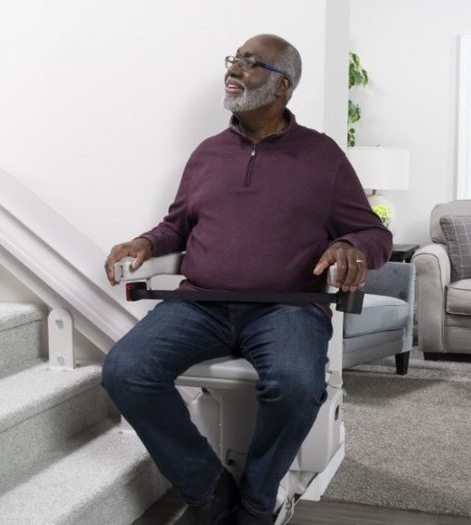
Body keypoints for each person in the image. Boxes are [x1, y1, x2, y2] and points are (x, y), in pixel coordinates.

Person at [100, 34, 391, 525]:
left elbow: (372, 232)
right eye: (234, 59)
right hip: (201, 304)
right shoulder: (207, 153)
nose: (234, 69)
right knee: (125, 371)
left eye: (251, 64)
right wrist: (146, 243)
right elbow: (178, 225)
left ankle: (256, 499)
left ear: (283, 87)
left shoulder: (322, 156)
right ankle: (209, 491)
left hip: (288, 306)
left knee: (297, 385)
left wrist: (352, 246)